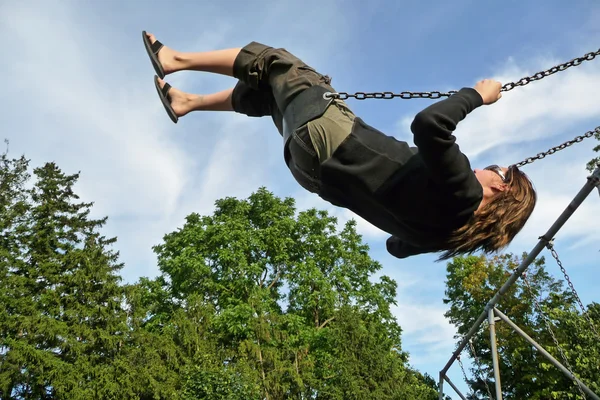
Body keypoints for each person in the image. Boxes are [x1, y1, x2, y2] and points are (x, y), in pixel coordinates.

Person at [142, 32, 537, 260]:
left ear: (501, 187)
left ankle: (176, 59)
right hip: (307, 166)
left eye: (498, 169)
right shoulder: (445, 234)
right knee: (270, 95)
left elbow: (431, 125)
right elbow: (395, 247)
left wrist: (477, 96)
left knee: (280, 64)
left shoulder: (464, 193)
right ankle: (187, 102)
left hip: (330, 136)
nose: (488, 168)